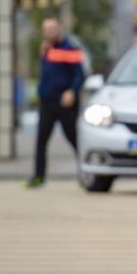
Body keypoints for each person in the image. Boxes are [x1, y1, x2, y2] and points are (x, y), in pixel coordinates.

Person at [26, 17, 85, 188]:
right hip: (47, 102)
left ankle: (86, 172)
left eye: (53, 29)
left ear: (59, 29)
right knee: (41, 140)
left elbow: (79, 75)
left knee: (74, 139)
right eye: (46, 29)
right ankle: (38, 177)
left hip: (65, 103)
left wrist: (72, 91)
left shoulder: (71, 48)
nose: (50, 32)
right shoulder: (46, 49)